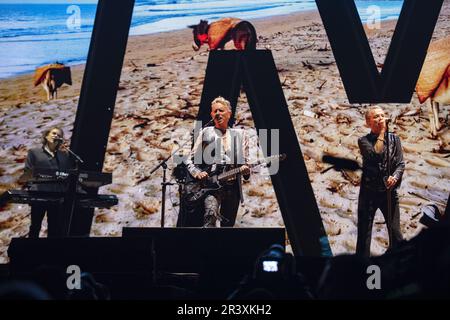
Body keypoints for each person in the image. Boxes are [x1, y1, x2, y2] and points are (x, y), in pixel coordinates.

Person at [183, 96, 250, 227]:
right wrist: (197, 173)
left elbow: (246, 163)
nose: (218, 113)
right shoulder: (206, 132)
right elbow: (189, 159)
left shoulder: (241, 135)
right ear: (211, 114)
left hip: (232, 188)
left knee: (227, 225)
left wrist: (246, 171)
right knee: (210, 216)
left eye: (221, 110)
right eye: (215, 111)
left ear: (229, 113)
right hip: (211, 186)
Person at [356, 106, 405, 257]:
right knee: (364, 235)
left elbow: (400, 164)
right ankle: (360, 269)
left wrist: (395, 177)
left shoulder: (395, 139)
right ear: (368, 122)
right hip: (368, 194)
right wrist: (383, 132)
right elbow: (376, 154)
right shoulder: (363, 141)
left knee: (396, 233)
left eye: (382, 115)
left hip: (389, 193)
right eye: (376, 116)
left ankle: (398, 266)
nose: (380, 119)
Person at [24, 127, 74, 237]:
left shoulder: (64, 156)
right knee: (35, 226)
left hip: (57, 196)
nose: (56, 136)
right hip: (39, 194)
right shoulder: (34, 153)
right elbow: (27, 172)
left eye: (59, 135)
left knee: (54, 228)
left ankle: (50, 252)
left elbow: (68, 175)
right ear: (46, 136)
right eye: (54, 133)